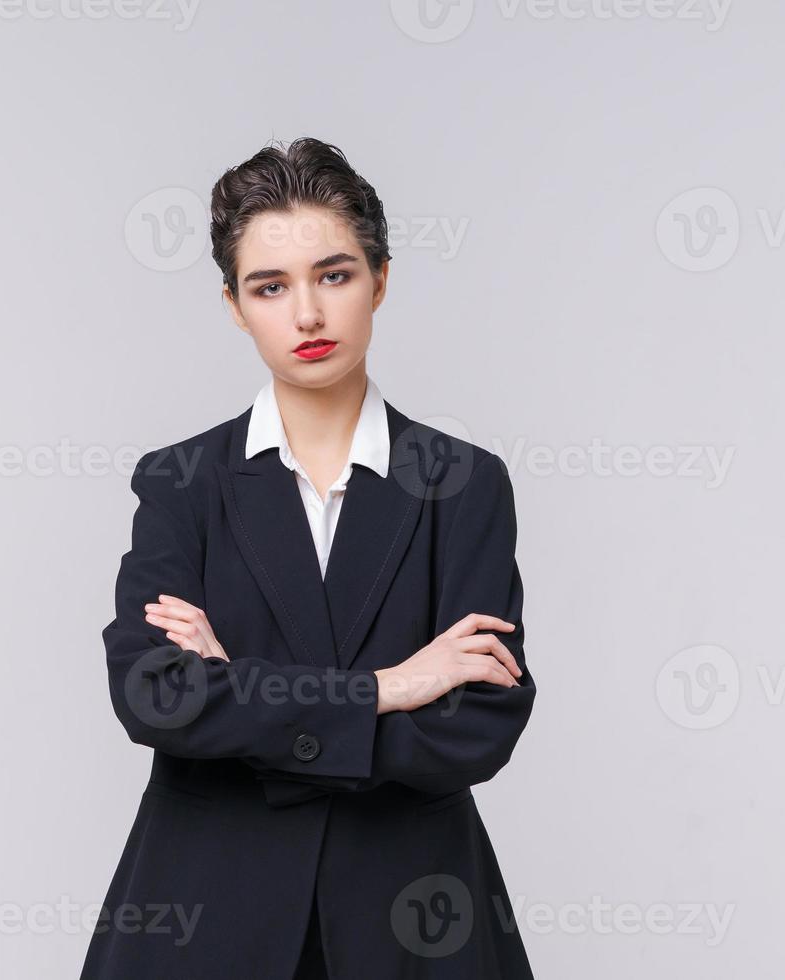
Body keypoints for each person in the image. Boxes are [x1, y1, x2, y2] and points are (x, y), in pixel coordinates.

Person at [80, 137, 538, 979]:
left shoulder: (464, 484)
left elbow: (477, 725)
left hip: (414, 918)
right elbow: (155, 695)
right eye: (270, 287)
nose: (307, 316)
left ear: (382, 279)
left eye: (335, 275)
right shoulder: (183, 482)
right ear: (233, 304)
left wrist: (243, 699)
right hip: (206, 913)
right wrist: (388, 690)